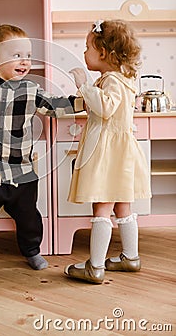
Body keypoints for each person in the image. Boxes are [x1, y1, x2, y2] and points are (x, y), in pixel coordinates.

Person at [0, 24, 84, 278]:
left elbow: (56, 106)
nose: (25, 61)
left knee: (29, 216)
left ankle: (31, 250)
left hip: (21, 170)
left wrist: (81, 96)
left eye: (29, 56)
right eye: (17, 55)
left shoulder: (31, 91)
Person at [64, 19, 151, 284]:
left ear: (103, 53)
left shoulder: (111, 80)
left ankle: (96, 266)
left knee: (102, 206)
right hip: (122, 152)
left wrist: (83, 84)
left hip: (108, 153)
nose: (84, 52)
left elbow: (105, 108)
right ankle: (130, 257)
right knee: (123, 205)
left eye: (87, 46)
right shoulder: (123, 78)